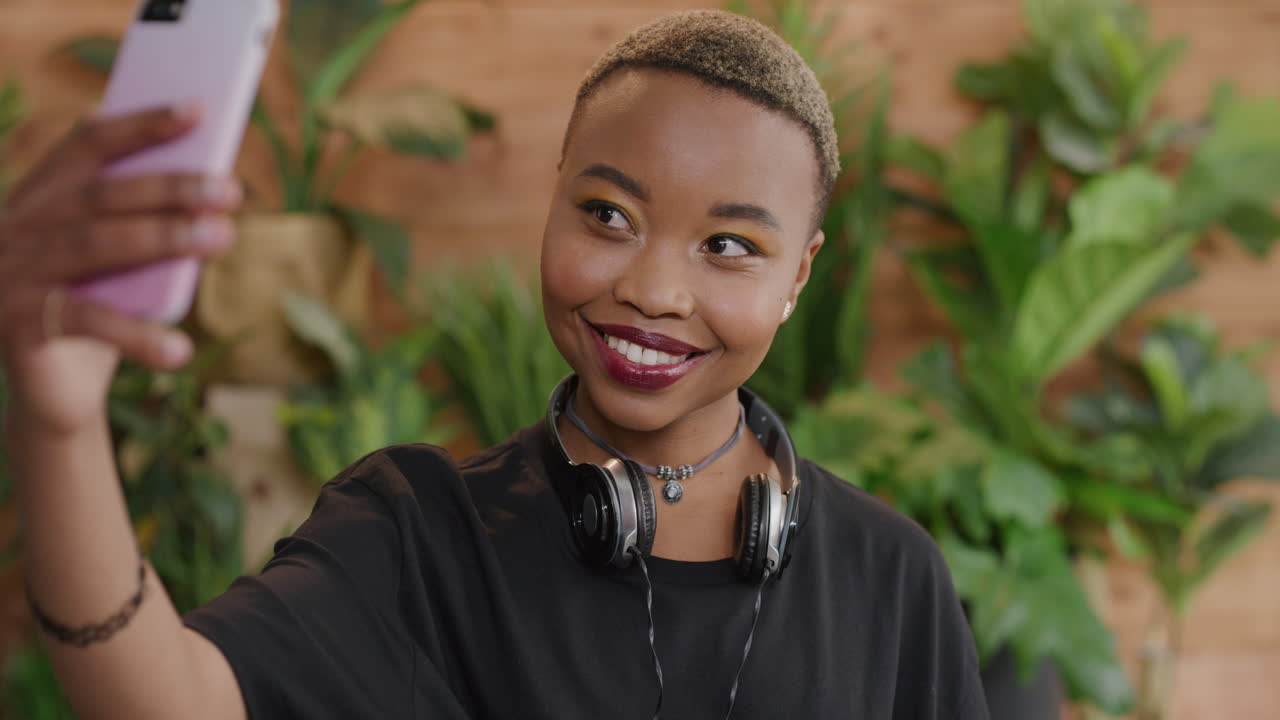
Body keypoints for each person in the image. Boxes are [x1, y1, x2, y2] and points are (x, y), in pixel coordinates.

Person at [0, 10, 988, 719]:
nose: (653, 289)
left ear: (798, 276)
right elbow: (170, 697)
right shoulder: (420, 536)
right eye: (608, 214)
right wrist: (60, 421)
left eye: (728, 245)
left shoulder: (889, 577)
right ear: (554, 196)